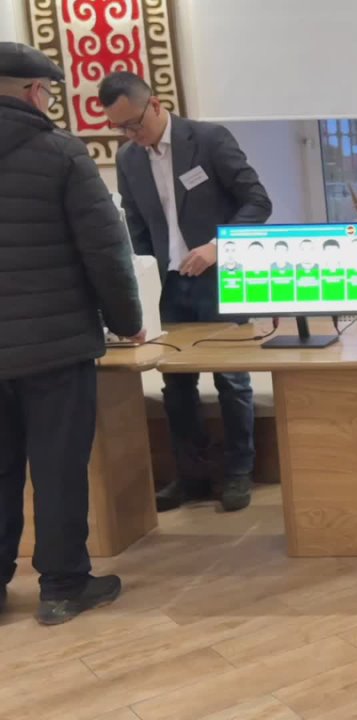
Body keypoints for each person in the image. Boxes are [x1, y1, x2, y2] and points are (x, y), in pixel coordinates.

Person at [0, 42, 143, 625]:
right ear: (35, 92)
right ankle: (62, 586)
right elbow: (106, 250)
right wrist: (128, 321)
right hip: (54, 349)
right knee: (58, 469)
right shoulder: (61, 153)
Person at [100, 71, 272, 513]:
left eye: (134, 124)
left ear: (156, 105)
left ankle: (238, 472)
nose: (131, 135)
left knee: (231, 380)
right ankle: (191, 475)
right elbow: (136, 226)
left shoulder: (209, 140)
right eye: (120, 129)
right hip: (168, 286)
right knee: (175, 385)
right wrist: (140, 283)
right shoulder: (129, 159)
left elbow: (258, 201)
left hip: (221, 279)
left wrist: (217, 246)